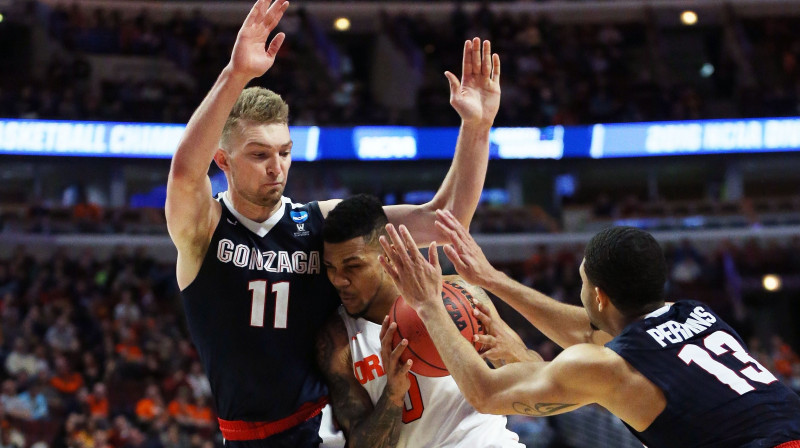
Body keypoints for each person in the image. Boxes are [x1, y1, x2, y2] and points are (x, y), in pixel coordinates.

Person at [164, 0, 501, 445]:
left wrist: (477, 128)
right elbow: (185, 175)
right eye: (260, 155)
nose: (277, 168)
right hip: (248, 434)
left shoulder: (317, 220)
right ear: (223, 160)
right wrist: (236, 74)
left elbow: (445, 221)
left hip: (328, 426)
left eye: (284, 152)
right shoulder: (203, 230)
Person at [378, 213, 800, 448]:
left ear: (599, 296)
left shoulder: (607, 365)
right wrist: (492, 280)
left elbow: (486, 393)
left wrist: (429, 304)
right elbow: (591, 339)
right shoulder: (693, 312)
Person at [315, 195, 527, 448]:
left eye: (353, 266)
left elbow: (537, 379)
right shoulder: (336, 338)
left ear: (389, 254)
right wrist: (393, 394)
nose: (339, 279)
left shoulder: (459, 295)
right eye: (331, 267)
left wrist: (513, 355)